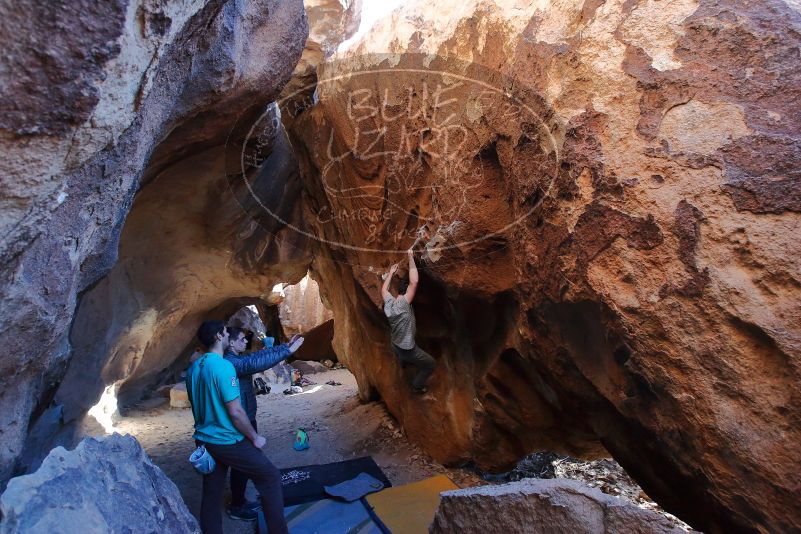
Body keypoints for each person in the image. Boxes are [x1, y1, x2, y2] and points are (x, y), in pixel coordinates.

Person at [186, 321, 296, 534]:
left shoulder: (194, 368)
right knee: (270, 476)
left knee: (211, 493)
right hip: (227, 440)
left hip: (204, 440)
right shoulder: (223, 367)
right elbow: (236, 412)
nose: (228, 336)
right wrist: (254, 437)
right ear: (219, 336)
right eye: (226, 332)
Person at [223, 327, 304, 521]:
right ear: (231, 342)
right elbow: (255, 363)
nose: (245, 342)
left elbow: (258, 355)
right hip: (241, 419)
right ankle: (237, 505)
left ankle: (239, 501)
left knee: (243, 464)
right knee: (246, 464)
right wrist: (287, 351)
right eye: (242, 340)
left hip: (247, 415)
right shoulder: (230, 362)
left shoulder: (237, 358)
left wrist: (285, 346)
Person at [381, 248, 436, 393]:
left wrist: (391, 273)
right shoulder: (404, 305)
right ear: (406, 294)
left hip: (396, 343)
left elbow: (384, 290)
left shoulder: (389, 303)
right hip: (408, 349)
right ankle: (417, 387)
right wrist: (411, 257)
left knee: (399, 352)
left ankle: (403, 361)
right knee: (430, 364)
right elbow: (414, 282)